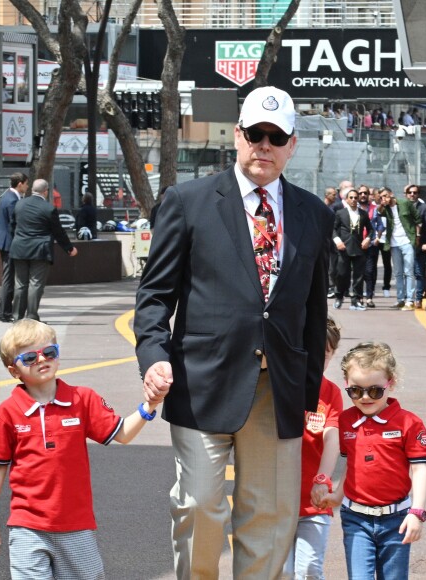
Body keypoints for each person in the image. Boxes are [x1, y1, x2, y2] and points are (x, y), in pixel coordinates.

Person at [134, 86, 334, 579]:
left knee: (270, 517)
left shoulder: (314, 214)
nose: (263, 145)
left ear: (292, 145)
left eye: (277, 136)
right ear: (237, 136)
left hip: (278, 388)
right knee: (201, 504)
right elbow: (154, 296)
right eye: (255, 134)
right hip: (201, 382)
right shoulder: (187, 201)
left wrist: (306, 392)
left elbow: (313, 310)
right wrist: (154, 355)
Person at [0, 319, 168, 578]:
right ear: (14, 370)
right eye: (30, 357)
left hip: (76, 525)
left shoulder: (82, 399)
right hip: (27, 526)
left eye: (49, 352)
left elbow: (121, 433)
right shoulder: (7, 413)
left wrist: (149, 406)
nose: (42, 360)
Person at [318, 341, 426, 580]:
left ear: (392, 383)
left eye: (375, 390)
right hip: (355, 519)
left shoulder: (410, 423)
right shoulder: (346, 421)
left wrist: (416, 512)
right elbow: (351, 464)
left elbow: (419, 470)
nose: (365, 397)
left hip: (397, 520)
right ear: (347, 385)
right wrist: (338, 495)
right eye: (356, 391)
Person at [283, 317, 343, 580]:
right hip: (277, 501)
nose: (317, 360)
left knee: (308, 570)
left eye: (325, 355)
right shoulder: (281, 387)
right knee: (281, 572)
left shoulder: (330, 393)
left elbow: (332, 438)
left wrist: (322, 478)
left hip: (313, 501)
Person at [9, 179, 77, 321]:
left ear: (32, 189)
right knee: (35, 284)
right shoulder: (48, 208)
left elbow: (12, 226)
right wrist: (69, 249)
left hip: (19, 248)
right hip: (39, 250)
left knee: (20, 284)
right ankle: (32, 317)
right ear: (45, 191)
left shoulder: (19, 204)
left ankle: (17, 317)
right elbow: (58, 232)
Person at [0, 172, 29, 322]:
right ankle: (5, 313)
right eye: (26, 183)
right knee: (8, 278)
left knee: (9, 277)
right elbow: (14, 223)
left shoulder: (10, 196)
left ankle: (6, 312)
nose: (27, 186)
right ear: (20, 183)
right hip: (9, 243)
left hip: (6, 241)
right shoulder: (12, 200)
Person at [378, 187, 421, 311]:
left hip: (407, 240)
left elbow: (417, 218)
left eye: (386, 195)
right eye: (381, 197)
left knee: (408, 271)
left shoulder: (404, 203)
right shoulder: (385, 208)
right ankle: (400, 299)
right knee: (398, 273)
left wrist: (417, 235)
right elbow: (378, 212)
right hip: (394, 243)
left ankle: (410, 300)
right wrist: (382, 204)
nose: (384, 198)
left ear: (391, 194)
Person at [333, 188, 372, 311]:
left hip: (359, 248)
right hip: (343, 248)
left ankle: (356, 300)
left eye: (356, 197)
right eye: (351, 197)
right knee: (342, 274)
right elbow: (332, 229)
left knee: (359, 276)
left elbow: (371, 229)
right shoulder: (340, 213)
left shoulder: (363, 213)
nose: (354, 200)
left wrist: (368, 239)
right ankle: (339, 297)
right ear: (346, 199)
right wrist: (337, 241)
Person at [406, 185, 426, 308]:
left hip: (419, 245)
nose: (412, 194)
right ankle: (406, 298)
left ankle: (418, 298)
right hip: (404, 244)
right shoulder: (402, 208)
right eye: (410, 192)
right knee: (407, 272)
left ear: (418, 194)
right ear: (406, 194)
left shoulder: (425, 208)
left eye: (415, 192)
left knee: (418, 272)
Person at [358, 185, 384, 308]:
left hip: (371, 244)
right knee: (358, 272)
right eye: (361, 193)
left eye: (365, 193)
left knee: (370, 272)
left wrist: (377, 237)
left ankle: (369, 297)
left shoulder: (374, 209)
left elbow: (380, 225)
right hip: (356, 245)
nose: (363, 195)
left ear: (369, 195)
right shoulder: (353, 209)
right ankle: (358, 297)